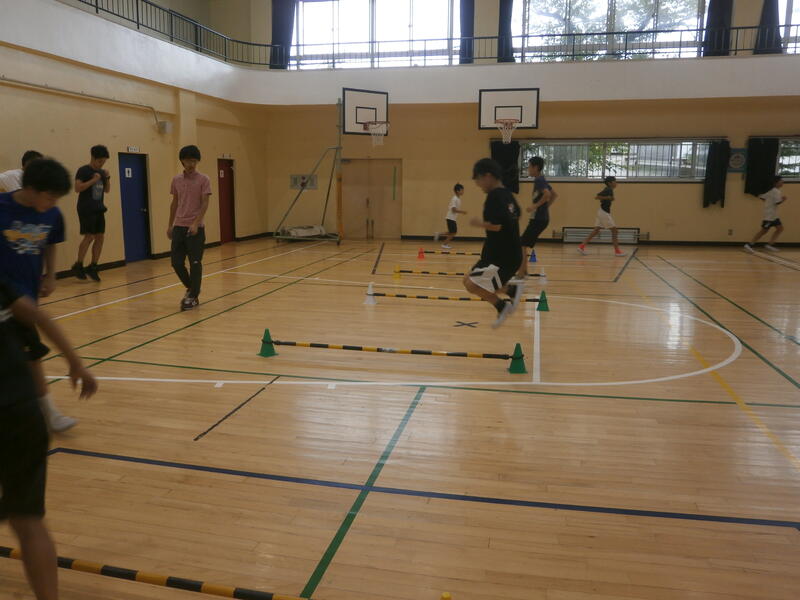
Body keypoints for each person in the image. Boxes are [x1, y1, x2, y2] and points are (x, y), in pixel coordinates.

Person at [0, 280, 97, 600]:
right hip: (22, 410)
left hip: (16, 410)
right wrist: (75, 362)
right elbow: (37, 315)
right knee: (28, 520)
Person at [0, 158, 78, 433]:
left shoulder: (52, 215)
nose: (54, 203)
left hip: (28, 294)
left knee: (33, 354)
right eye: (50, 197)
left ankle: (48, 412)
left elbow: (50, 243)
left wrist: (51, 274)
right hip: (6, 297)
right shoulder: (3, 208)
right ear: (31, 189)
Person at [463, 158, 524, 328]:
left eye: (478, 179)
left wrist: (479, 224)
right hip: (503, 254)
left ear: (488, 176)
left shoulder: (494, 197)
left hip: (502, 258)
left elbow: (497, 226)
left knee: (471, 284)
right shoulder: (507, 194)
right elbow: (517, 215)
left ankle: (502, 305)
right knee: (467, 280)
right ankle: (510, 292)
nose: (478, 184)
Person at [168, 145, 211, 311]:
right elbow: (174, 203)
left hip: (195, 228)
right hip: (179, 226)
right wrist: (170, 225)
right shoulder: (176, 180)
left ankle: (193, 296)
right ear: (182, 161)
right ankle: (191, 288)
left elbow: (205, 203)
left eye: (194, 161)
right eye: (188, 161)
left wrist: (195, 223)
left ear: (197, 161)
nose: (191, 164)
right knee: (176, 263)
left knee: (195, 262)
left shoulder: (204, 179)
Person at [72, 145, 111, 282]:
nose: (102, 164)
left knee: (100, 237)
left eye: (104, 162)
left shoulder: (101, 172)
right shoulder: (83, 170)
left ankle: (93, 266)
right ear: (93, 158)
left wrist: (107, 177)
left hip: (99, 208)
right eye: (100, 161)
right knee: (89, 236)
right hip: (86, 208)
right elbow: (77, 188)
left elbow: (107, 190)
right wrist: (93, 180)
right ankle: (78, 265)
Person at [518, 156, 556, 277]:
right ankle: (523, 271)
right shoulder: (541, 179)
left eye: (529, 166)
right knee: (522, 243)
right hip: (541, 219)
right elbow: (554, 195)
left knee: (521, 244)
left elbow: (548, 194)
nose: (528, 169)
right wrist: (545, 207)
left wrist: (535, 206)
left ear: (535, 167)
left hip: (538, 219)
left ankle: (522, 273)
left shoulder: (539, 180)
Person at [577, 176, 626, 257]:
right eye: (615, 181)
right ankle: (617, 251)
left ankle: (581, 246)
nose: (616, 183)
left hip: (602, 212)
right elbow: (597, 196)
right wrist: (607, 197)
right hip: (604, 212)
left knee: (596, 231)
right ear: (610, 183)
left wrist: (610, 198)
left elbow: (606, 198)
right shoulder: (608, 189)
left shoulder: (609, 190)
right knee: (615, 231)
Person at [745, 176, 787, 252]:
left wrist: (768, 202)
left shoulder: (772, 191)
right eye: (781, 181)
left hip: (774, 216)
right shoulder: (776, 191)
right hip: (769, 216)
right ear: (776, 183)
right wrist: (783, 199)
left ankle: (769, 245)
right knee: (763, 231)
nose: (782, 182)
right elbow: (777, 202)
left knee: (780, 228)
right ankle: (749, 245)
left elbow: (762, 197)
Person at [434, 183, 467, 249]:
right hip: (450, 218)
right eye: (462, 190)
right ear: (457, 191)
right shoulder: (454, 199)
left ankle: (439, 234)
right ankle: (444, 244)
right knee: (453, 233)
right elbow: (453, 210)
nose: (463, 191)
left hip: (452, 218)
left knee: (452, 232)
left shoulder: (458, 199)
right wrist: (462, 212)